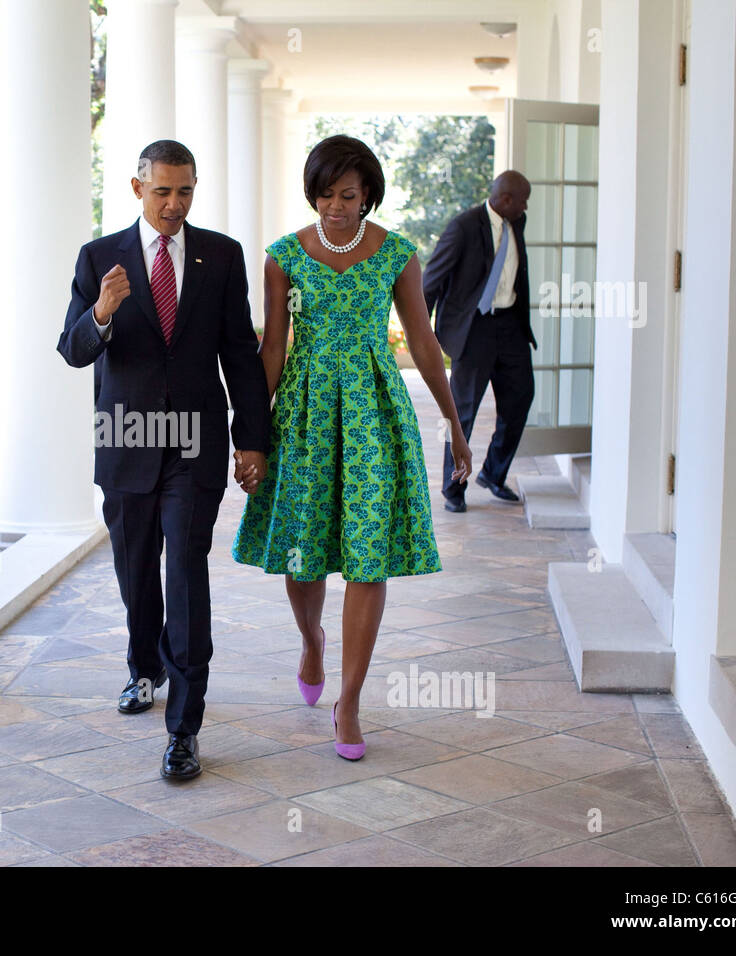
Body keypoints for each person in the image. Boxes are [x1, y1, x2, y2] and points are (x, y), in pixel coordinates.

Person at [231, 134, 471, 760]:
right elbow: (274, 348)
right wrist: (251, 435)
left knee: (368, 558)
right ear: (311, 192)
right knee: (303, 555)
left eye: (347, 195)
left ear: (367, 197)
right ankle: (310, 641)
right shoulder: (284, 255)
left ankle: (351, 701)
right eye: (325, 193)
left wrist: (455, 423)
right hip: (306, 418)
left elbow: (422, 342)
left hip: (374, 415)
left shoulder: (397, 254)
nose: (334, 206)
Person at [56, 139, 271, 781]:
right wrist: (103, 311)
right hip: (126, 437)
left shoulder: (222, 256)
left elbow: (239, 350)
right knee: (135, 573)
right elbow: (71, 349)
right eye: (162, 192)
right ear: (136, 188)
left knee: (185, 569)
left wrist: (250, 437)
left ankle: (184, 726)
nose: (174, 204)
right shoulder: (100, 258)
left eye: (185, 191)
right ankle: (142, 668)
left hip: (194, 443)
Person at [422, 171, 537, 512]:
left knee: (521, 398)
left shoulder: (517, 223)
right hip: (474, 330)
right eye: (523, 199)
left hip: (511, 325)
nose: (526, 206)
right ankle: (453, 489)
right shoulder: (464, 226)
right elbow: (432, 281)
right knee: (462, 413)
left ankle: (492, 473)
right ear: (505, 200)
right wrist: (422, 334)